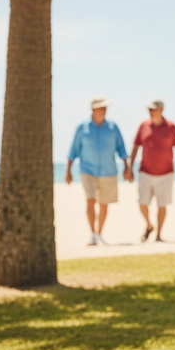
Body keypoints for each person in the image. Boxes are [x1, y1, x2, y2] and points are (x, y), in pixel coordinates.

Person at [65, 96, 129, 246]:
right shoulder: (82, 128)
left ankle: (100, 233)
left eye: (105, 107)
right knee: (90, 201)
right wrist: (68, 171)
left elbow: (121, 148)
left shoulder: (113, 127)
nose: (105, 110)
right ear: (93, 109)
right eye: (101, 107)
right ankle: (92, 234)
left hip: (109, 171)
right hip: (87, 170)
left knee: (104, 204)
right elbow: (73, 151)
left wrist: (127, 167)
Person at [126, 99, 175, 242]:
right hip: (145, 171)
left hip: (166, 173)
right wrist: (130, 168)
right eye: (149, 109)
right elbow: (135, 147)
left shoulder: (171, 127)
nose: (151, 111)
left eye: (154, 108)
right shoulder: (143, 125)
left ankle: (159, 235)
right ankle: (149, 225)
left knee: (162, 205)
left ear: (161, 109)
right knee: (142, 203)